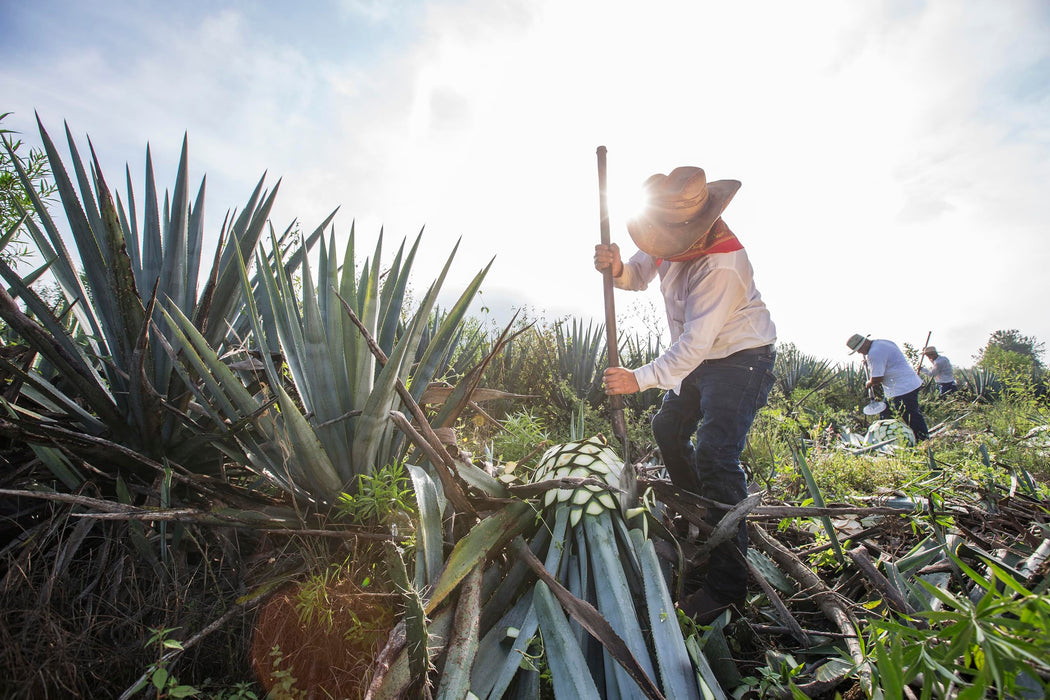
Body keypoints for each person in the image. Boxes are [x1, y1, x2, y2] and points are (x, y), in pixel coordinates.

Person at [594, 166, 776, 624]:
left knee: (717, 454)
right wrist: (618, 268)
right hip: (702, 357)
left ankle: (726, 585)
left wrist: (637, 378)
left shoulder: (722, 263)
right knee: (667, 426)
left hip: (740, 357)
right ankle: (700, 514)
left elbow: (693, 345)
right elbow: (640, 271)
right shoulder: (667, 231)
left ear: (694, 229)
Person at [846, 333, 929, 440]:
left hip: (902, 388)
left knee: (911, 416)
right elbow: (886, 361)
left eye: (858, 349)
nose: (858, 352)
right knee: (885, 412)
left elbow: (877, 378)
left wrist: (869, 383)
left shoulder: (874, 353)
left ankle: (923, 440)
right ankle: (885, 438)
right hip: (901, 386)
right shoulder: (882, 343)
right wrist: (869, 362)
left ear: (863, 344)